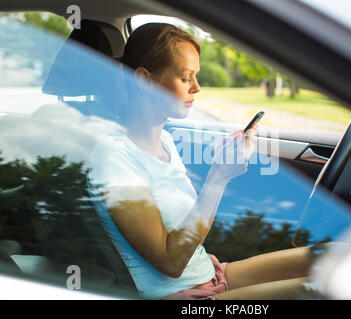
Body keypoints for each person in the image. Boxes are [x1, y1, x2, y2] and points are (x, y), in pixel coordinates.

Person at [88, 23, 325, 300]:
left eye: (195, 77)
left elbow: (184, 235)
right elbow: (171, 262)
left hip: (210, 273)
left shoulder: (164, 141)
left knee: (336, 256)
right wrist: (218, 177)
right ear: (143, 79)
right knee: (322, 289)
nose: (197, 88)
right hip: (186, 295)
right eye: (185, 78)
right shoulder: (114, 157)